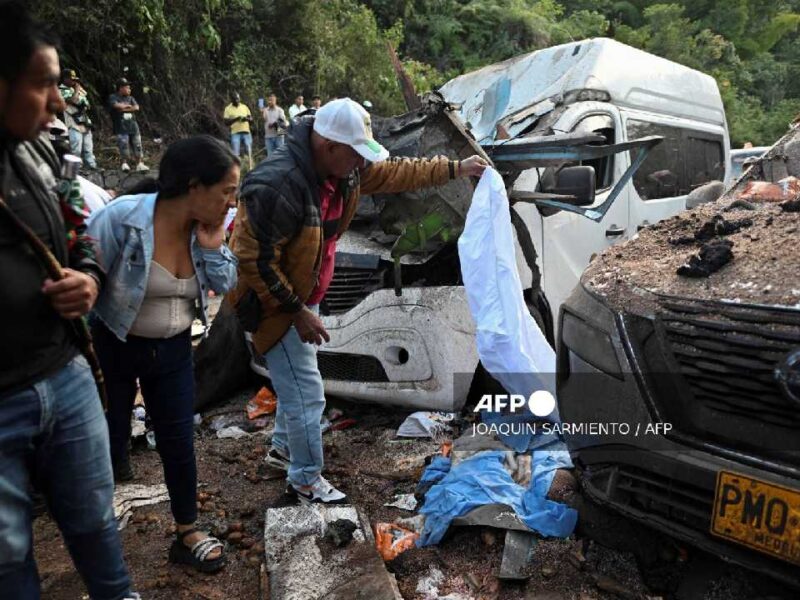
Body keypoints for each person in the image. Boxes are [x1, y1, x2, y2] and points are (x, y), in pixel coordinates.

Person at [229, 98, 487, 504]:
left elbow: (394, 173)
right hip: (273, 307)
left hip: (302, 298)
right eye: (354, 155)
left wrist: (456, 168)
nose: (359, 164)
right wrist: (297, 312)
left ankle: (283, 450)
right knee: (308, 394)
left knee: (297, 382)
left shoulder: (343, 171)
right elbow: (250, 258)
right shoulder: (277, 185)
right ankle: (306, 479)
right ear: (329, 146)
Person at [0, 2, 137, 598]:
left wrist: (89, 279)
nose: (59, 102)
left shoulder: (40, 154)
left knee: (94, 519)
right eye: (44, 84)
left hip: (66, 375)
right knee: (7, 556)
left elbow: (79, 234)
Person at [87, 135, 239, 573]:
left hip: (173, 347)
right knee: (109, 434)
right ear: (194, 186)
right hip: (115, 343)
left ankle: (187, 530)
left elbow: (224, 283)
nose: (232, 202)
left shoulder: (205, 230)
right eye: (226, 191)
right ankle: (96, 529)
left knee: (178, 440)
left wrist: (213, 247)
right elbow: (84, 273)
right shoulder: (122, 219)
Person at [58, 68, 97, 168]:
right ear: (65, 79)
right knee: (76, 148)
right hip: (73, 122)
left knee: (88, 148)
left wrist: (82, 101)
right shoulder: (60, 90)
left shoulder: (77, 89)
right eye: (71, 79)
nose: (74, 81)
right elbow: (74, 100)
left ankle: (91, 166)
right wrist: (76, 91)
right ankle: (76, 168)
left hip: (84, 121)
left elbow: (87, 104)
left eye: (75, 79)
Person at [108, 77, 148, 172]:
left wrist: (124, 109)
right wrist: (127, 107)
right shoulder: (113, 97)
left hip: (133, 126)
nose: (129, 89)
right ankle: (124, 163)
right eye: (127, 87)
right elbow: (116, 106)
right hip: (121, 126)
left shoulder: (131, 98)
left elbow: (136, 108)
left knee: (137, 145)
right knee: (123, 145)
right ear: (121, 88)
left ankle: (140, 164)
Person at [223, 91, 252, 169]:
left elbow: (251, 119)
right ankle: (237, 169)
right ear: (231, 99)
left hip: (246, 131)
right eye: (235, 99)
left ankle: (250, 168)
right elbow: (226, 122)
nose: (237, 100)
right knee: (235, 152)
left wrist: (247, 119)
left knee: (248, 150)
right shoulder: (228, 109)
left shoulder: (244, 107)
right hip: (235, 133)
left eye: (238, 99)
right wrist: (236, 119)